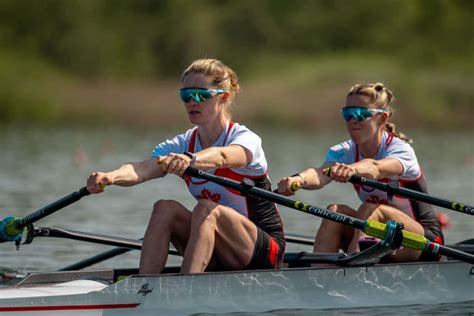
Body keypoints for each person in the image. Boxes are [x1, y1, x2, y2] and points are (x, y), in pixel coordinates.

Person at [86, 58, 285, 274]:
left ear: (224, 97)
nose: (192, 102)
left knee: (206, 208)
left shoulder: (244, 138)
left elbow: (223, 156)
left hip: (264, 251)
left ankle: (186, 288)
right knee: (164, 208)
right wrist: (111, 177)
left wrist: (191, 159)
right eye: (186, 95)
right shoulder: (182, 143)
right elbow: (142, 169)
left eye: (201, 95)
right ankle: (145, 288)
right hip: (218, 248)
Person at [277, 83, 443, 262]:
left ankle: (353, 270)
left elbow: (375, 168)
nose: (352, 120)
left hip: (424, 242)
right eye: (347, 115)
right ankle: (317, 274)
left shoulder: (400, 150)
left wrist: (352, 169)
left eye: (361, 114)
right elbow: (319, 174)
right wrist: (298, 179)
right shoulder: (343, 151)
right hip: (379, 237)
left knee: (370, 209)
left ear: (382, 118)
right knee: (334, 212)